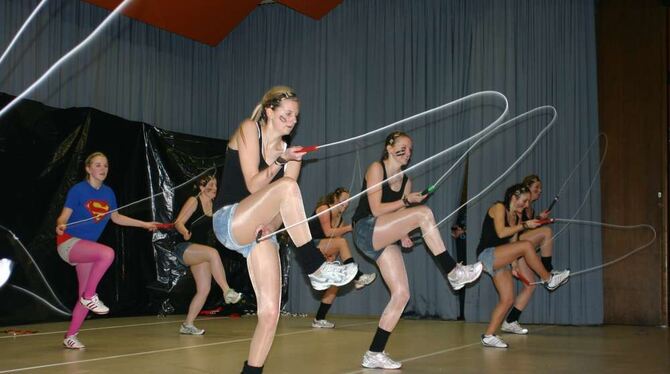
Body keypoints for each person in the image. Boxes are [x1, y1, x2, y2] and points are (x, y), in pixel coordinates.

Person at [211, 86, 357, 373]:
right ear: (269, 111)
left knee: (269, 313)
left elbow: (283, 212)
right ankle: (314, 267)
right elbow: (254, 185)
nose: (292, 121)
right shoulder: (250, 129)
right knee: (288, 186)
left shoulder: (291, 154)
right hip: (230, 220)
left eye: (296, 116)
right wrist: (281, 160)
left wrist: (271, 226)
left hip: (258, 232)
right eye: (286, 114)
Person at [351, 131, 483, 369]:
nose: (408, 153)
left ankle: (374, 352)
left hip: (383, 236)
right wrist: (407, 203)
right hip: (365, 229)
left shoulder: (406, 181)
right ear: (390, 147)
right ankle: (453, 271)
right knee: (424, 213)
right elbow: (377, 209)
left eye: (411, 149)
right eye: (403, 147)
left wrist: (402, 233)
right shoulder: (376, 169)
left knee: (401, 294)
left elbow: (396, 217)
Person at [55, 152, 158, 349]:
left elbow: (117, 218)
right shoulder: (78, 190)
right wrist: (60, 225)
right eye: (98, 165)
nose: (103, 169)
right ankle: (90, 297)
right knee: (107, 253)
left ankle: (71, 336)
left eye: (106, 165)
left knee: (84, 295)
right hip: (68, 243)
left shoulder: (108, 193)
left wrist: (144, 224)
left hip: (87, 249)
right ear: (88, 168)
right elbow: (63, 217)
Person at [476, 183, 570, 348]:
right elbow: (501, 232)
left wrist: (514, 266)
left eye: (528, 202)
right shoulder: (498, 207)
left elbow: (512, 242)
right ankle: (549, 279)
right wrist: (525, 225)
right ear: (514, 197)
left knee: (508, 299)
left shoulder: (517, 217)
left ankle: (489, 335)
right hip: (488, 254)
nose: (527, 205)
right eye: (524, 201)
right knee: (526, 245)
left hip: (501, 258)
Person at [173, 174, 242, 335]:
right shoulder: (193, 200)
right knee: (213, 253)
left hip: (200, 252)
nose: (214, 189)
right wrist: (184, 232)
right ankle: (227, 291)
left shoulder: (214, 206)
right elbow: (178, 222)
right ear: (202, 187)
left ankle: (187, 324)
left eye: (216, 185)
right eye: (211, 186)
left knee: (204, 289)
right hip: (185, 247)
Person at [309, 187, 376, 329]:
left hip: (322, 250)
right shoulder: (324, 208)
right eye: (343, 200)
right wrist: (349, 228)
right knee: (342, 242)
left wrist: (331, 259)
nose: (346, 204)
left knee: (335, 282)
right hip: (310, 246)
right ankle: (357, 276)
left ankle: (319, 319)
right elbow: (327, 232)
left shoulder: (340, 221)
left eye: (348, 202)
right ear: (335, 198)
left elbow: (334, 248)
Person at [501, 174, 557, 335]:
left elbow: (529, 229)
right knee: (546, 232)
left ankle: (510, 321)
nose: (539, 191)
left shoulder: (530, 209)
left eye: (540, 188)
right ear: (527, 188)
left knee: (530, 285)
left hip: (522, 247)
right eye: (536, 188)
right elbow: (516, 231)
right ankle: (548, 274)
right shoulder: (521, 207)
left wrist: (539, 218)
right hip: (515, 244)